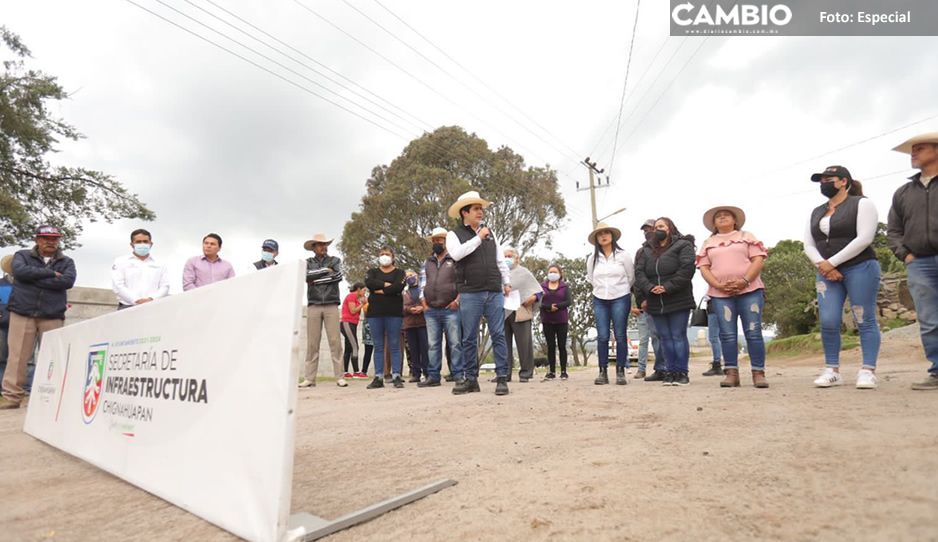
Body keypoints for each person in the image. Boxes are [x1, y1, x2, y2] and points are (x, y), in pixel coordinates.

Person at [804, 167, 881, 389]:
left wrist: (832, 263)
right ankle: (832, 370)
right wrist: (824, 266)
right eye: (821, 181)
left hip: (861, 266)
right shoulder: (816, 211)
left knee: (864, 317)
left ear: (843, 181)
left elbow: (864, 238)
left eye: (829, 179)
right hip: (826, 271)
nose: (824, 184)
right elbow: (808, 244)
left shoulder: (862, 204)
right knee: (828, 320)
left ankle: (868, 370)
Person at [0, 226, 76, 410]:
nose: (51, 242)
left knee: (53, 357)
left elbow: (67, 281)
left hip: (52, 314)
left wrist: (32, 278)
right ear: (37, 240)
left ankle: (53, 396)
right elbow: (20, 273)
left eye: (54, 239)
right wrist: (51, 273)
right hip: (22, 312)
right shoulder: (22, 255)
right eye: (46, 238)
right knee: (17, 357)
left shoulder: (67, 261)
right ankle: (12, 397)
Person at [446, 190, 512, 396]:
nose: (480, 212)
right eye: (476, 209)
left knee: (498, 334)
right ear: (464, 212)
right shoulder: (453, 235)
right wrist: (477, 238)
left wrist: (506, 282)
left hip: (494, 290)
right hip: (470, 292)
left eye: (481, 208)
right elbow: (456, 255)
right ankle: (471, 379)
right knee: (469, 338)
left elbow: (500, 259)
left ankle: (502, 378)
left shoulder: (490, 234)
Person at [697, 206, 769, 388]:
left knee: (753, 331)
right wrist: (717, 284)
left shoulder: (746, 236)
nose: (722, 217)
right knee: (727, 334)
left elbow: (758, 259)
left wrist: (745, 280)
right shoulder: (708, 242)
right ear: (713, 223)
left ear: (735, 220)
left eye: (726, 215)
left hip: (750, 291)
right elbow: (704, 267)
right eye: (718, 216)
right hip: (720, 294)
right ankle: (731, 372)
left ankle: (758, 372)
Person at [889, 132, 938, 390]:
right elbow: (894, 231)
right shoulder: (903, 192)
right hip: (919, 263)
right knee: (929, 319)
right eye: (912, 150)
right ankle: (937, 372)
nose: (913, 153)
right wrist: (906, 256)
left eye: (919, 148)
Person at [634, 218, 696, 386]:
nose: (657, 229)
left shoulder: (683, 245)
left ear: (670, 228)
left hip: (678, 297)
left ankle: (682, 372)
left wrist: (667, 287)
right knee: (664, 337)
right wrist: (650, 288)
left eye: (661, 226)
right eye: (655, 227)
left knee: (677, 335)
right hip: (655, 300)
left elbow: (687, 269)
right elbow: (639, 273)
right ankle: (670, 371)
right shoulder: (645, 250)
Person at [586, 222, 635, 386]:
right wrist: (602, 290)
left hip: (620, 296)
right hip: (600, 298)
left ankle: (620, 371)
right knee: (602, 336)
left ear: (613, 236)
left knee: (620, 335)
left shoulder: (623, 255)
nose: (604, 236)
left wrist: (620, 290)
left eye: (607, 233)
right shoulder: (592, 259)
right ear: (596, 238)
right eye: (600, 234)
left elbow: (630, 277)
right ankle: (602, 372)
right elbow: (592, 279)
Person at [299, 233, 347, 388]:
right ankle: (309, 378)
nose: (323, 247)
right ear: (313, 247)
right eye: (320, 244)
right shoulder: (307, 262)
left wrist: (316, 280)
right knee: (312, 343)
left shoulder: (335, 260)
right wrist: (326, 271)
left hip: (331, 303)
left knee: (335, 342)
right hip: (313, 304)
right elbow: (305, 277)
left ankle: (340, 376)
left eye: (325, 244)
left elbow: (338, 276)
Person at [418, 227, 461, 388]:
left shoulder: (455, 260)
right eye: (434, 240)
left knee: (455, 343)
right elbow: (423, 282)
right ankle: (433, 376)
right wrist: (423, 303)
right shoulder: (427, 262)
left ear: (446, 241)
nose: (436, 243)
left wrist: (457, 301)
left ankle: (458, 375)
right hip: (430, 309)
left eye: (439, 240)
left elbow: (462, 282)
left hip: (450, 308)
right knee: (433, 344)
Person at [365, 247, 406, 389]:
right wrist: (386, 286)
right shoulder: (372, 272)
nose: (384, 257)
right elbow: (369, 283)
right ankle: (378, 377)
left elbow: (398, 288)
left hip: (394, 313)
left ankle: (396, 376)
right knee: (378, 346)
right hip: (375, 313)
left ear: (393, 257)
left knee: (394, 345)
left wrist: (380, 290)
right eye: (382, 254)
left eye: (387, 254)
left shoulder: (400, 273)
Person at [631, 219, 666, 381]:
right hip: (648, 303)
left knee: (667, 336)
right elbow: (637, 278)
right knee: (650, 337)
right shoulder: (641, 252)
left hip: (668, 300)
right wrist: (642, 300)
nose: (647, 232)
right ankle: (653, 369)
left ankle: (670, 368)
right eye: (644, 230)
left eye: (650, 229)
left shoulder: (670, 247)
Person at [503, 246, 541, 383]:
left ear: (516, 258)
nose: (507, 259)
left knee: (524, 343)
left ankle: (526, 373)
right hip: (502, 311)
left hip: (520, 311)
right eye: (504, 256)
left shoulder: (524, 273)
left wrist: (533, 298)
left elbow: (537, 291)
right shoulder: (499, 273)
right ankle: (504, 373)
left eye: (509, 256)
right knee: (502, 343)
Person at [111, 228, 170, 310]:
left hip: (154, 306)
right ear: (132, 244)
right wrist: (137, 300)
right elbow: (118, 286)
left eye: (145, 241)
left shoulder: (160, 264)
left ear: (151, 244)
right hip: (127, 307)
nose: (142, 244)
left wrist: (151, 299)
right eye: (138, 242)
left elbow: (165, 286)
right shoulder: (121, 261)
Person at [540, 263, 571, 380]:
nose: (552, 274)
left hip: (561, 320)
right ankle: (552, 371)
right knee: (550, 346)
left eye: (555, 272)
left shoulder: (565, 287)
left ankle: (563, 371)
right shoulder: (542, 287)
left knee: (562, 346)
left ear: (560, 274)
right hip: (547, 320)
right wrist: (548, 307)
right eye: (550, 272)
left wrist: (557, 306)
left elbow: (568, 301)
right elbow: (538, 302)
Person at [402, 269, 430, 383]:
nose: (410, 278)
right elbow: (401, 307)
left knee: (425, 349)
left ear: (417, 276)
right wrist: (409, 309)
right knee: (413, 350)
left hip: (423, 323)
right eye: (407, 276)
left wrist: (422, 308)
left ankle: (428, 372)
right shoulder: (403, 293)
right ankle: (416, 373)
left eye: (411, 275)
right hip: (410, 324)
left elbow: (429, 302)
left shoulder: (424, 290)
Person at [340, 282, 366, 379]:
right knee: (355, 346)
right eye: (364, 290)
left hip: (353, 324)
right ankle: (356, 371)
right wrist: (362, 304)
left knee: (348, 348)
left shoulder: (356, 299)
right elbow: (353, 310)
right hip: (347, 323)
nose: (364, 293)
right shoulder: (351, 296)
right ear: (358, 289)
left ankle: (345, 371)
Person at [702, 295, 724, 376]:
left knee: (713, 337)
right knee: (723, 336)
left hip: (714, 307)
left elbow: (708, 295)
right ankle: (730, 365)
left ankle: (717, 364)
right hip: (724, 306)